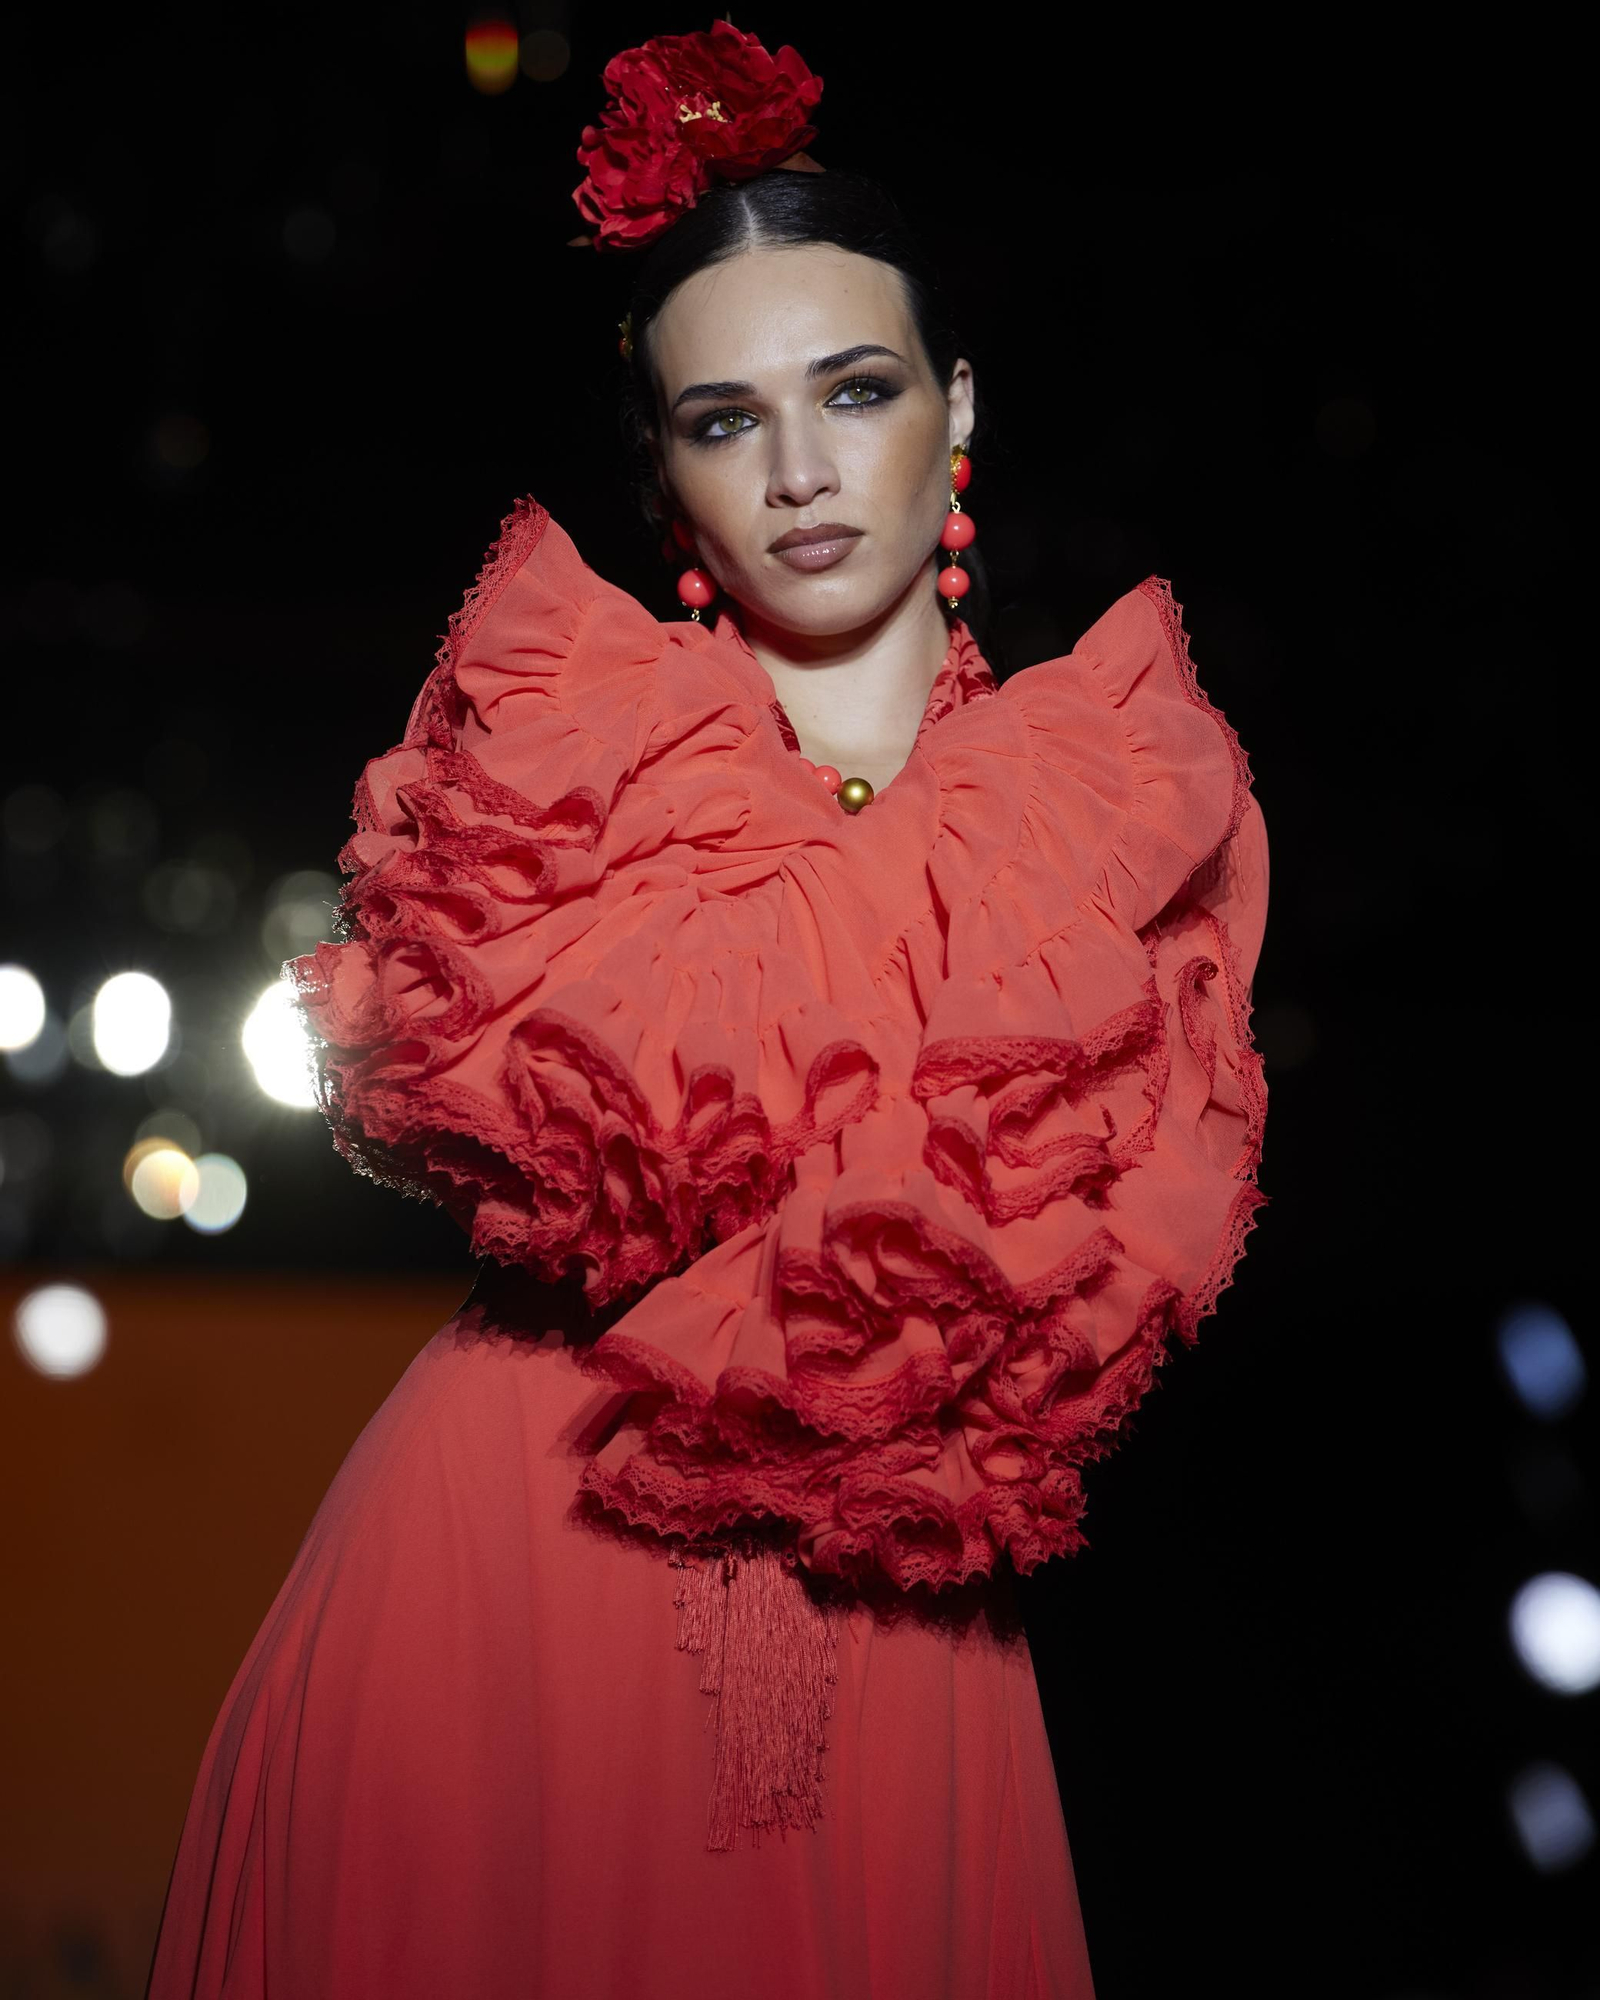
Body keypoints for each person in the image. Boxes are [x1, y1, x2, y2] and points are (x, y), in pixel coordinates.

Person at [144, 23, 1267, 2000]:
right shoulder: (569, 754)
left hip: (907, 1653)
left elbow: (1106, 1284)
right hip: (500, 1587)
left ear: (954, 405)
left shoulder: (1111, 797)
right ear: (661, 469)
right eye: (725, 419)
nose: (804, 468)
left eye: (853, 390)